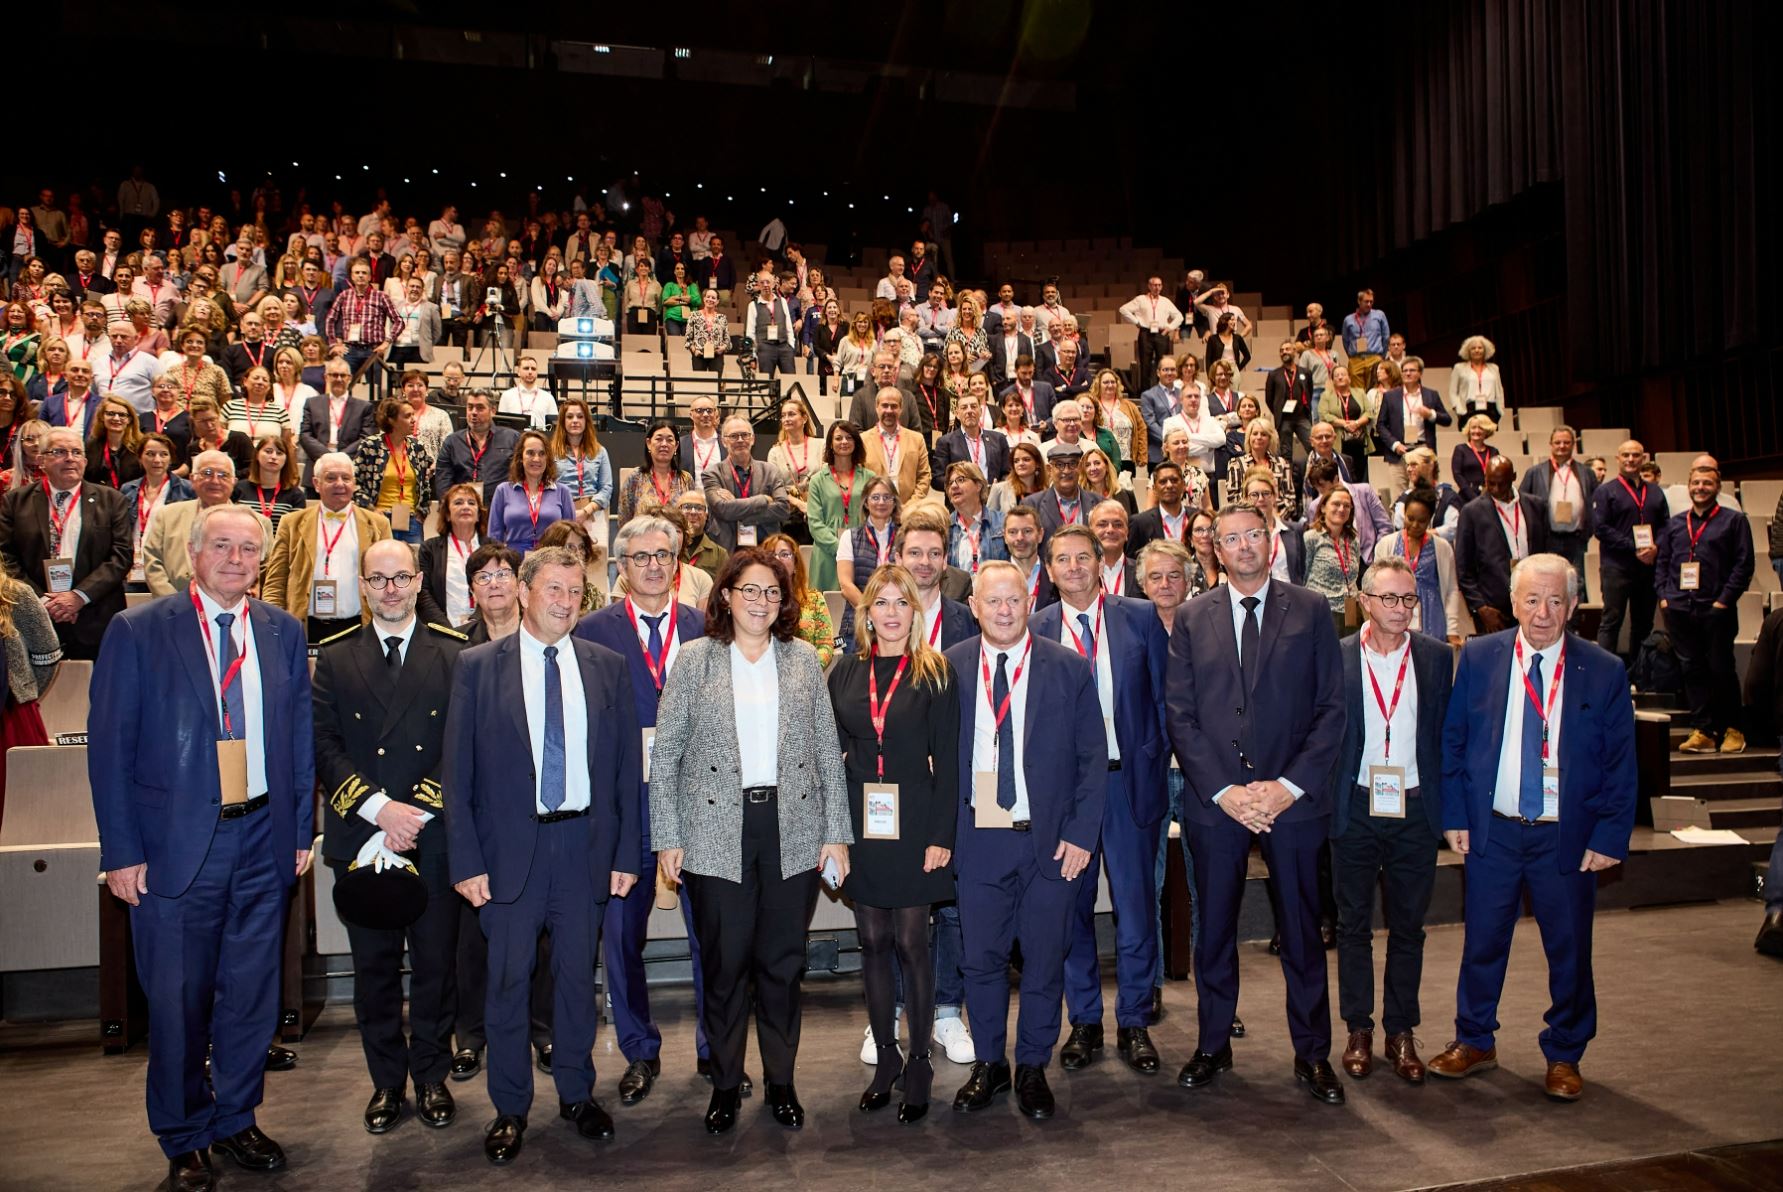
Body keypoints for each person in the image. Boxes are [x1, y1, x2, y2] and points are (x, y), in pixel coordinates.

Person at [89, 503, 314, 1192]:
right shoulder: (138, 630)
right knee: (180, 997)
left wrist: (301, 830)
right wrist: (121, 851)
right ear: (194, 553)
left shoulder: (281, 632)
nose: (236, 559)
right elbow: (109, 749)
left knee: (250, 993)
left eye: (249, 549)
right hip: (174, 849)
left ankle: (235, 1117)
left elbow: (298, 740)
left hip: (262, 836)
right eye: (222, 545)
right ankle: (183, 1132)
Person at [444, 546, 641, 1164]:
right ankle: (509, 1107)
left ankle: (578, 1095)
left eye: (575, 590)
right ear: (524, 592)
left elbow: (624, 773)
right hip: (508, 856)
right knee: (506, 983)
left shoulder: (608, 666)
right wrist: (467, 862)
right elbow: (458, 777)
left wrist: (627, 854)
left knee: (577, 984)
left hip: (583, 847)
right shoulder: (477, 667)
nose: (564, 601)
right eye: (553, 589)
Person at [650, 547, 852, 1135]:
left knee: (782, 965)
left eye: (771, 592)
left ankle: (782, 1082)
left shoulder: (803, 662)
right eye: (749, 590)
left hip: (791, 828)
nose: (761, 601)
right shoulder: (694, 660)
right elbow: (666, 758)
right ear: (726, 597)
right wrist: (669, 835)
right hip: (715, 832)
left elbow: (825, 756)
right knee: (724, 964)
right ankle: (724, 1083)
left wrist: (837, 834)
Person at [1431, 555, 1637, 1102]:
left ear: (1572, 606)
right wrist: (1454, 815)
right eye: (1531, 599)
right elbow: (1453, 743)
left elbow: (1621, 763)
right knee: (1481, 943)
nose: (1542, 613)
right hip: (1493, 832)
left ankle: (1565, 1053)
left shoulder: (1604, 670)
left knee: (1569, 949)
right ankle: (1474, 1039)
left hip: (1564, 837)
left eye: (1554, 601)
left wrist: (1609, 835)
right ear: (1513, 601)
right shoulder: (1478, 656)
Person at [1166, 500, 1348, 1105]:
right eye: (1231, 539)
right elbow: (1181, 716)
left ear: (1271, 542)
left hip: (1293, 802)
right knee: (1214, 930)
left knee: (1301, 932)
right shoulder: (1193, 617)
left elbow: (1330, 710)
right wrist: (1227, 791)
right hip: (1217, 803)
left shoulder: (1314, 609)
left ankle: (1313, 1053)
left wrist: (1286, 787)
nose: (1244, 546)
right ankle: (1213, 1044)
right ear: (1215, 549)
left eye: (1254, 535)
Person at [313, 538, 469, 1136]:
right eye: (378, 581)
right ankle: (386, 1083)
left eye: (401, 578)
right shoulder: (335, 655)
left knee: (435, 968)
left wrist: (413, 814)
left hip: (432, 838)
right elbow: (323, 744)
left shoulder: (454, 653)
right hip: (362, 836)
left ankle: (430, 1076)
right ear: (363, 585)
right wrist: (380, 811)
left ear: (418, 581)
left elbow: (461, 743)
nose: (391, 590)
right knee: (374, 971)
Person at [572, 516, 725, 1104]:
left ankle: (717, 1048)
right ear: (620, 568)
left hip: (698, 812)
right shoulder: (592, 632)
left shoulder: (706, 628)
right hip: (624, 813)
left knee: (710, 938)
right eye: (641, 558)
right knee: (620, 940)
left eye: (664, 555)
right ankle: (639, 1049)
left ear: (679, 561)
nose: (654, 566)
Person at [943, 561, 1104, 1119]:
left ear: (1029, 600)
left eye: (1014, 600)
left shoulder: (1068, 668)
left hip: (1052, 843)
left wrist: (1083, 835)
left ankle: (1033, 1064)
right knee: (981, 961)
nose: (1005, 610)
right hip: (979, 838)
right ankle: (992, 1063)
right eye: (993, 602)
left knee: (1043, 961)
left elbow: (1092, 760)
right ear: (976, 608)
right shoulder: (950, 668)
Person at [1030, 524, 1171, 1078]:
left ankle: (1134, 1018)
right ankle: (1084, 1019)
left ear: (1101, 561)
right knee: (1073, 911)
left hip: (1128, 785)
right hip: (1067, 798)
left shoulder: (1139, 617)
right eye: (1061, 559)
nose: (1073, 567)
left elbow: (1164, 699)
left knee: (1136, 910)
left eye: (1082, 557)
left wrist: (1154, 762)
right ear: (1049, 568)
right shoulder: (1037, 627)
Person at [828, 565, 961, 1122]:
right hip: (863, 824)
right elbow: (829, 761)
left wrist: (940, 837)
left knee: (913, 942)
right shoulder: (844, 673)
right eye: (879, 602)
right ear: (867, 612)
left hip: (915, 824)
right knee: (872, 939)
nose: (889, 612)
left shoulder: (936, 673)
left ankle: (921, 1061)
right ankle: (887, 1056)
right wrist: (833, 835)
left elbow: (949, 763)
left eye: (899, 603)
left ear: (915, 611)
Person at [1328, 557, 1454, 1083]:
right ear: (1364, 599)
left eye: (1408, 600)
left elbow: (1450, 737)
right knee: (1352, 926)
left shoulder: (1437, 658)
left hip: (1415, 806)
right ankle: (1359, 1026)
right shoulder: (1334, 658)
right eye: (1389, 599)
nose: (1400, 609)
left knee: (1409, 928)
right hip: (1355, 804)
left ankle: (1400, 1030)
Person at [0, 426, 132, 660]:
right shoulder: (15, 501)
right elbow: (6, 557)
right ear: (42, 460)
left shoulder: (112, 500)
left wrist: (78, 596)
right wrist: (41, 601)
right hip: (33, 619)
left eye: (76, 452)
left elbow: (121, 556)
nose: (70, 458)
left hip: (96, 618)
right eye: (60, 451)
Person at [1656, 463, 1754, 754]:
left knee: (1720, 669)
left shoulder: (1734, 521)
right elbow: (1663, 563)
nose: (1700, 488)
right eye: (1696, 483)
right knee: (1692, 670)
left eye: (1707, 483)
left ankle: (1732, 729)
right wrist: (1664, 596)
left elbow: (1744, 564)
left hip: (1716, 608)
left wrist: (1723, 600)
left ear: (1718, 488)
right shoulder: (1675, 524)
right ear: (1689, 486)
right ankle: (1703, 731)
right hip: (1680, 607)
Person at [262, 452, 392, 641]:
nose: (340, 484)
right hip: (305, 627)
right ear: (316, 484)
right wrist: (274, 624)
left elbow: (388, 581)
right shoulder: (291, 524)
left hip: (360, 626)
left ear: (354, 483)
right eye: (331, 478)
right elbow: (276, 581)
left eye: (346, 478)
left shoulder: (378, 525)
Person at [142, 449, 270, 597]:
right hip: (173, 609)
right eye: (207, 473)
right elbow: (153, 563)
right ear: (192, 479)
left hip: (233, 608)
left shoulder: (258, 523)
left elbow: (265, 573)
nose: (215, 481)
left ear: (234, 482)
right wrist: (174, 603)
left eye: (223, 475)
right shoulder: (167, 516)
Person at [1590, 440, 1668, 667]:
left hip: (1648, 566)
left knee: (1643, 624)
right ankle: (1603, 673)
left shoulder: (1655, 492)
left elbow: (1666, 526)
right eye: (1626, 455)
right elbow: (1601, 529)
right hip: (1617, 566)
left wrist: (1656, 547)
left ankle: (1638, 673)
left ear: (1643, 459)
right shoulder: (1606, 491)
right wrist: (1633, 547)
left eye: (1636, 455)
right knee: (1611, 621)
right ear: (1618, 459)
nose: (1631, 459)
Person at [1456, 457, 1551, 635]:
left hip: (1532, 603)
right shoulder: (1471, 512)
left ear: (1513, 477)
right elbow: (1463, 568)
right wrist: (1480, 607)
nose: (1496, 489)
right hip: (1493, 609)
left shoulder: (1536, 506)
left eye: (1502, 484)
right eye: (1490, 484)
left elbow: (1545, 553)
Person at [1520, 426, 1598, 599]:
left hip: (1576, 539)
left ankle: (1573, 624)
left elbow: (1594, 504)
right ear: (1550, 444)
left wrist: (1588, 531)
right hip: (1548, 539)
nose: (1562, 446)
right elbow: (1524, 505)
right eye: (1558, 442)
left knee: (1576, 584)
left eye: (1566, 442)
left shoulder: (1586, 473)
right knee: (1548, 583)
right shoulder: (1535, 472)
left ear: (1573, 445)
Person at [350, 397, 434, 547]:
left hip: (411, 520)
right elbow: (354, 484)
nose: (413, 420)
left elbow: (425, 483)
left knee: (412, 566)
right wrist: (371, 509)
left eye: (413, 414)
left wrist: (423, 510)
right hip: (378, 518)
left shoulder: (417, 447)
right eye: (407, 416)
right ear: (391, 420)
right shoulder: (371, 446)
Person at [702, 416, 790, 552]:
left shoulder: (770, 470)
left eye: (744, 435)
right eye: (734, 436)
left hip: (766, 548)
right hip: (727, 550)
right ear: (724, 441)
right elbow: (722, 509)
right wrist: (763, 500)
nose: (740, 440)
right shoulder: (712, 473)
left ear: (753, 439)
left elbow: (783, 508)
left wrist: (736, 507)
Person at [805, 420, 873, 593]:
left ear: (856, 443)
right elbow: (815, 523)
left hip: (861, 552)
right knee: (825, 613)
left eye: (849, 437)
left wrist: (857, 549)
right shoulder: (817, 480)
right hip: (827, 554)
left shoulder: (870, 477)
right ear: (830, 443)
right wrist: (840, 548)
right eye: (838, 438)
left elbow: (875, 516)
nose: (844, 442)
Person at [486, 430, 576, 556]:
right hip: (513, 562)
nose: (536, 459)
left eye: (542, 454)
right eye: (530, 453)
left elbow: (572, 537)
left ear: (548, 459)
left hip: (551, 562)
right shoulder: (503, 490)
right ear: (520, 458)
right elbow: (494, 537)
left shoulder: (562, 492)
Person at [298, 358, 378, 485]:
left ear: (350, 378)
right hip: (316, 467)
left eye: (343, 375)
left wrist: (340, 458)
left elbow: (366, 438)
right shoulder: (312, 403)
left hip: (350, 468)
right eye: (334, 375)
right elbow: (305, 435)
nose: (339, 379)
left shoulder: (364, 407)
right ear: (326, 377)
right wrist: (327, 457)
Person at [433, 389, 519, 503]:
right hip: (463, 510)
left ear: (493, 410)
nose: (473, 412)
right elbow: (443, 483)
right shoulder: (452, 442)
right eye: (470, 407)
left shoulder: (511, 438)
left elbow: (521, 476)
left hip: (501, 508)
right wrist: (450, 509)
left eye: (480, 408)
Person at [763, 533, 835, 665]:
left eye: (785, 554)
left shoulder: (813, 599)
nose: (778, 559)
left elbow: (826, 646)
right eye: (772, 554)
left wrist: (804, 669)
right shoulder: (758, 600)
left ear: (796, 564)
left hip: (806, 672)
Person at [420, 483, 485, 627]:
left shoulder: (492, 548)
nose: (466, 506)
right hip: (443, 630)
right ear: (448, 514)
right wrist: (446, 629)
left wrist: (475, 621)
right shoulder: (429, 549)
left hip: (483, 627)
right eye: (458, 502)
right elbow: (423, 593)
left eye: (471, 503)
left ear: (479, 514)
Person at [1303, 486, 1363, 635]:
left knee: (1349, 656)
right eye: (1336, 504)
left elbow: (1353, 575)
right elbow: (1302, 577)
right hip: (1323, 611)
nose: (1341, 509)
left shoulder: (1353, 540)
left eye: (1347, 506)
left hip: (1351, 611)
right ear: (1323, 508)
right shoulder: (1311, 538)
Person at [550, 396, 614, 531]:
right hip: (561, 513)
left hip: (594, 512)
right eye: (569, 417)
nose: (575, 421)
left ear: (586, 421)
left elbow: (606, 487)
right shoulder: (551, 452)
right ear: (562, 421)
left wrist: (587, 510)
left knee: (595, 552)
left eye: (580, 416)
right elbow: (546, 485)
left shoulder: (600, 451)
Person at [862, 387, 932, 505]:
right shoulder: (863, 440)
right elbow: (858, 479)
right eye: (884, 405)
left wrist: (909, 507)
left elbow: (924, 476)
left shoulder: (917, 439)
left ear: (901, 409)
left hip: (908, 511)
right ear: (876, 408)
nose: (889, 410)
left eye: (894, 406)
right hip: (874, 509)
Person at [1120, 276, 1183, 391]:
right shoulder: (1140, 299)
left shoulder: (1165, 301)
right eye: (1154, 285)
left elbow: (1179, 316)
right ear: (1149, 286)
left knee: (1163, 363)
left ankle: (1163, 390)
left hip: (1161, 334)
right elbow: (1123, 309)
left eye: (1159, 285)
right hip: (1145, 333)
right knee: (1145, 364)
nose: (1157, 287)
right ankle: (1145, 392)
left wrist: (1170, 327)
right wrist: (1136, 321)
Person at [1021, 439, 1088, 545]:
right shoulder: (1031, 505)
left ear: (1080, 468)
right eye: (1059, 465)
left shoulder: (1098, 503)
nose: (1066, 471)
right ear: (1049, 469)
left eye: (1072, 464)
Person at [234, 434, 305, 533]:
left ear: (286, 459)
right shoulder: (239, 488)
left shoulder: (296, 495)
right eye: (268, 451)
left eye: (279, 453)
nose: (273, 457)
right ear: (257, 455)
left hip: (279, 547)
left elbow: (295, 534)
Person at [1265, 341, 1316, 463]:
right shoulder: (1274, 374)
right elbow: (1269, 399)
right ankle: (1287, 480)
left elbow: (1310, 391)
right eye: (1281, 350)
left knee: (1313, 446)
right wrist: (1277, 411)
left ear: (1294, 351)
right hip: (1284, 419)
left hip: (1302, 417)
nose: (1284, 352)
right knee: (1285, 453)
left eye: (1287, 349)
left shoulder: (1305, 372)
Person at [84, 394, 146, 489]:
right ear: (101, 417)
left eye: (122, 415)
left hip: (130, 499)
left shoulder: (141, 447)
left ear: (129, 419)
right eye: (110, 414)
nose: (116, 418)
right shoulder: (90, 446)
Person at [1449, 335, 1506, 423]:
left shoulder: (1494, 368)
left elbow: (1499, 390)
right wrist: (1458, 409)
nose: (1477, 350)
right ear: (1468, 351)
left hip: (1491, 408)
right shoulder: (1459, 368)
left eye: (1480, 348)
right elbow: (1453, 391)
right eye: (1473, 348)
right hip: (1468, 409)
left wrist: (1501, 409)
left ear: (1485, 350)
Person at [497, 356, 557, 430]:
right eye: (526, 368)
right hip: (515, 439)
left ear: (537, 373)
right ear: (518, 372)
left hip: (540, 438)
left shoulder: (548, 397)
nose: (530, 372)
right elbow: (501, 425)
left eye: (533, 369)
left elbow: (555, 425)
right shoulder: (507, 396)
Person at [1450, 415, 1499, 504]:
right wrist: (1473, 497)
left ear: (1487, 430)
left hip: (1489, 498)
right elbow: (1457, 475)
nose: (1476, 431)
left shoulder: (1493, 451)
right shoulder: (1460, 449)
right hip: (1466, 498)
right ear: (1469, 430)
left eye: (1480, 428)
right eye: (1473, 428)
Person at [684, 289, 731, 375]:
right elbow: (688, 338)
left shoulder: (722, 318)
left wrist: (723, 348)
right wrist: (694, 351)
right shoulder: (694, 316)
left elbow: (727, 339)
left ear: (717, 301)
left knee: (716, 384)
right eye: (708, 297)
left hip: (716, 355)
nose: (710, 299)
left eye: (713, 298)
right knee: (700, 384)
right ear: (704, 299)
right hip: (699, 355)